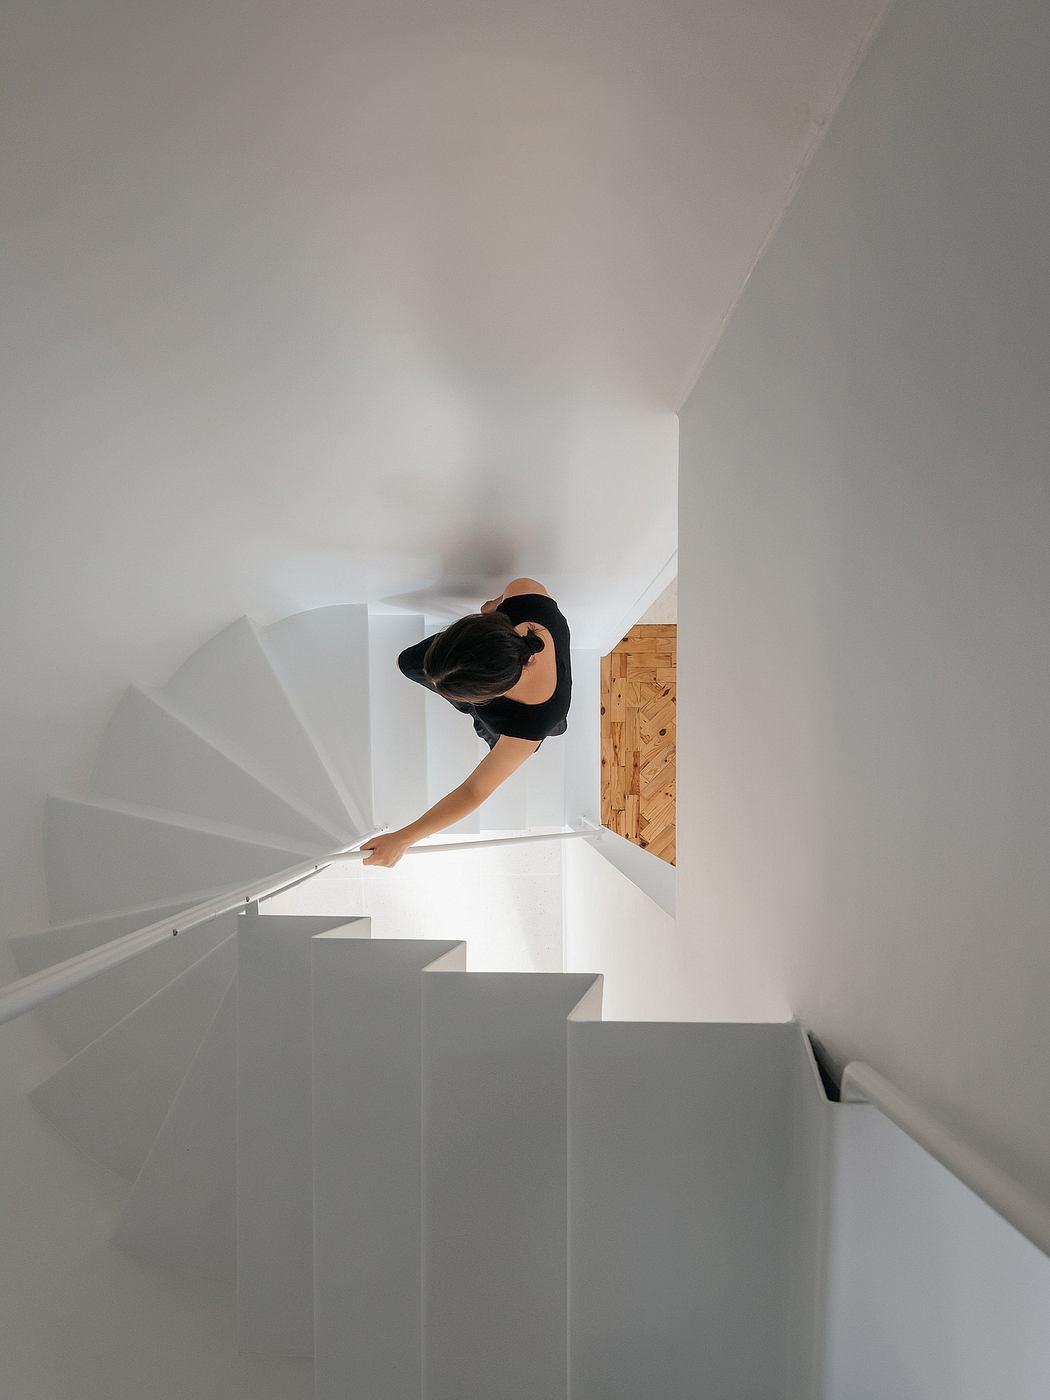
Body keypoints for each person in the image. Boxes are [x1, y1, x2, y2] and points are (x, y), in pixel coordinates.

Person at [360, 577, 571, 867]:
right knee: (408, 663)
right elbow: (492, 606)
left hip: (518, 720)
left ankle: (480, 719)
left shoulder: (530, 726)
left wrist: (404, 838)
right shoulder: (526, 592)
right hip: (485, 652)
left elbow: (475, 790)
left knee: (495, 739)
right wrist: (491, 610)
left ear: (492, 694)